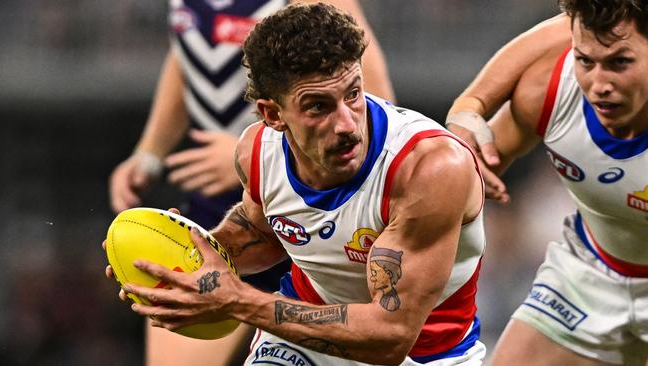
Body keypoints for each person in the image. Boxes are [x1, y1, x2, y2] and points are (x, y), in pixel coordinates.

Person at [107, 3, 488, 365]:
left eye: (353, 94)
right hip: (305, 339)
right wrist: (181, 257)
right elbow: (267, 233)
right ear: (272, 114)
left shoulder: (431, 170)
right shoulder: (256, 152)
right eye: (318, 106)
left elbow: (390, 335)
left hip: (424, 356)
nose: (347, 124)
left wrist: (237, 300)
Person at [446, 1, 648, 364]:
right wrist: (468, 114)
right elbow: (470, 179)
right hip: (589, 272)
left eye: (620, 63)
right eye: (585, 61)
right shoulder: (550, 89)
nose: (599, 84)